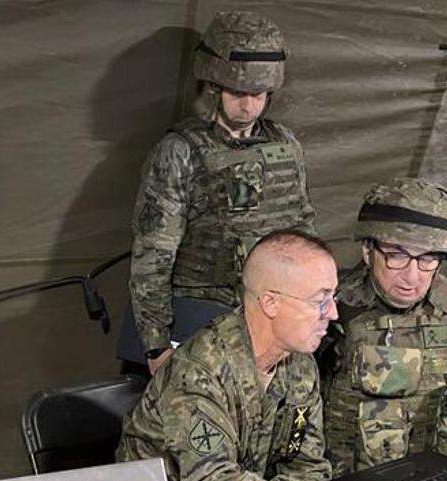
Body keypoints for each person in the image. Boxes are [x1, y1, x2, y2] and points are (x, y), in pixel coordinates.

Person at [117, 230, 337, 481]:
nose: (332, 313)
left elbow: (304, 465)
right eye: (319, 301)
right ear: (271, 302)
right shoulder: (199, 370)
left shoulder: (299, 364)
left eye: (334, 297)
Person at [128, 10, 316, 374]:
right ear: (213, 87)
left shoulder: (286, 145)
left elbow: (303, 233)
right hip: (199, 321)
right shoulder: (180, 151)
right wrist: (154, 346)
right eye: (237, 93)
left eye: (258, 94)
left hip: (270, 324)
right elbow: (153, 255)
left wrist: (310, 310)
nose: (248, 106)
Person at [319, 178, 447, 476]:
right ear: (368, 251)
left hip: (440, 480)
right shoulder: (335, 312)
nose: (411, 276)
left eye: (427, 259)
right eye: (397, 255)